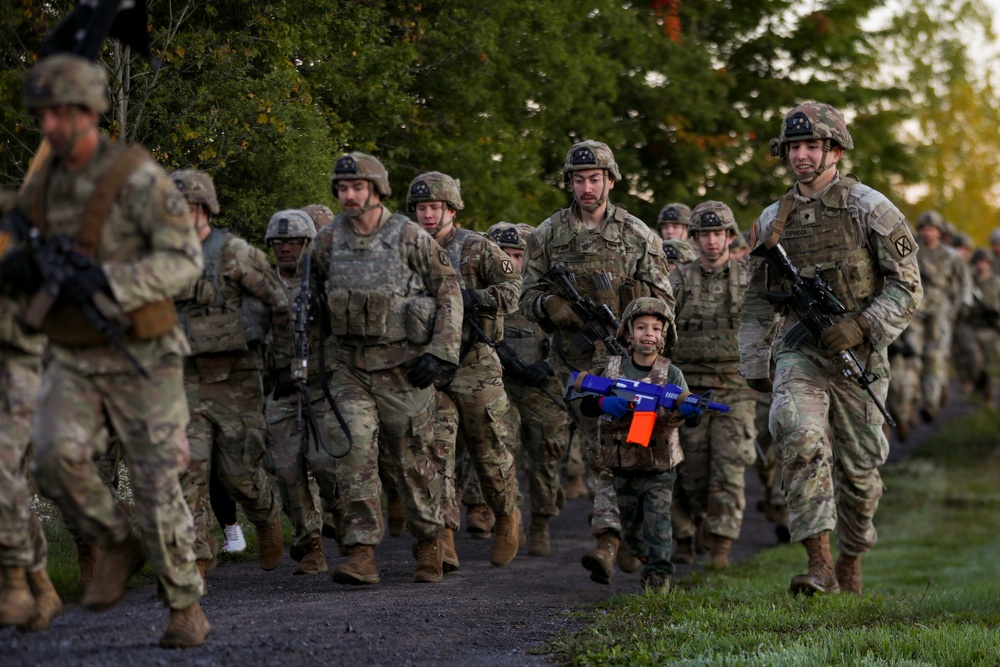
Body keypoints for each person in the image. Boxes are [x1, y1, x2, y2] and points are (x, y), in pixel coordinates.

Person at [0, 53, 208, 647]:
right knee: (49, 456)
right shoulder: (43, 184)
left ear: (89, 112)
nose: (47, 126)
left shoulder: (136, 178)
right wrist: (18, 266)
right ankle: (115, 540)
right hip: (71, 350)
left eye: (58, 113)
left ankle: (183, 604)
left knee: (154, 480)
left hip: (141, 349)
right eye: (41, 114)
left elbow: (182, 261)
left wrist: (112, 282)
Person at [739, 101, 922, 595]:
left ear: (834, 150)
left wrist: (862, 326)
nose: (800, 155)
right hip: (802, 352)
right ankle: (817, 562)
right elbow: (756, 297)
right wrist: (756, 360)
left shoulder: (871, 207)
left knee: (861, 475)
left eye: (810, 146)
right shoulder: (773, 218)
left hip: (859, 356)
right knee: (797, 438)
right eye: (793, 147)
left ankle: (851, 555)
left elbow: (907, 287)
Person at [520, 139, 674, 584]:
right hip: (577, 368)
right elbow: (525, 292)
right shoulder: (548, 234)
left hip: (629, 366)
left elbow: (663, 300)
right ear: (569, 182)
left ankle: (615, 539)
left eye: (594, 179)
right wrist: (549, 306)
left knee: (630, 449)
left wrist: (638, 333)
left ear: (610, 180)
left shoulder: (638, 234)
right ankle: (613, 538)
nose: (586, 187)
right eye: (578, 179)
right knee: (600, 452)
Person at [310, 153, 462, 585]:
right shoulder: (327, 240)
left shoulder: (408, 236)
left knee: (413, 461)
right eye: (342, 188)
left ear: (376, 190)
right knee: (354, 451)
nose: (349, 195)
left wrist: (439, 351)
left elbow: (448, 290)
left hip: (404, 367)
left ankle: (430, 543)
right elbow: (315, 299)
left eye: (357, 187)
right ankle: (361, 552)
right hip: (350, 367)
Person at [171, 169, 289, 578]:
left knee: (238, 475)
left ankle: (267, 516)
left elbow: (280, 306)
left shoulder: (235, 253)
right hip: (184, 380)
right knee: (188, 471)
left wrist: (286, 364)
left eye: (187, 208)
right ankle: (199, 555)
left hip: (236, 379)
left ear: (205, 208)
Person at [408, 172, 523, 568]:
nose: (426, 215)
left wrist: (473, 297)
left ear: (451, 209)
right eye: (421, 208)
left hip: (475, 362)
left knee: (489, 450)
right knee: (435, 452)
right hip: (430, 366)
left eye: (434, 208)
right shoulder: (403, 249)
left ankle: (507, 514)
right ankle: (442, 537)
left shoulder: (477, 247)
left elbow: (514, 291)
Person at [570, 297, 696, 591]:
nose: (648, 334)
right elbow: (586, 405)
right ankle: (641, 553)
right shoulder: (612, 370)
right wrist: (603, 400)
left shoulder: (671, 373)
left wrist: (688, 412)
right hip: (621, 465)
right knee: (631, 530)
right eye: (640, 327)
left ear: (665, 335)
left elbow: (688, 412)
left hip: (659, 468)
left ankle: (658, 576)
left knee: (659, 524)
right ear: (628, 333)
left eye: (655, 328)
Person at [669, 201, 756, 568]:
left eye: (717, 233)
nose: (710, 241)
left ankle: (721, 546)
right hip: (689, 388)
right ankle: (691, 528)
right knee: (691, 469)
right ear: (695, 238)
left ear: (729, 236)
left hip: (735, 387)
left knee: (730, 465)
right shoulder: (677, 280)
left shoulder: (748, 278)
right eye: (703, 234)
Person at [487, 221, 571, 557]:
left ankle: (541, 521)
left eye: (517, 254)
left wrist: (548, 364)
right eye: (504, 253)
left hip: (543, 385)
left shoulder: (551, 289)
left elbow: (571, 334)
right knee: (501, 451)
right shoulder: (490, 289)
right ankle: (510, 517)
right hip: (502, 384)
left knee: (545, 456)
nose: (511, 261)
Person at [262, 209, 331, 574]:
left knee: (325, 463)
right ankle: (311, 544)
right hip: (282, 386)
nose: (285, 249)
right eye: (279, 243)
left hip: (323, 385)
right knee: (286, 470)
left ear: (307, 244)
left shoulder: (323, 278)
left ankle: (346, 525)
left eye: (293, 242)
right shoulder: (262, 282)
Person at [909, 211, 967, 422]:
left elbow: (964, 282)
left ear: (940, 232)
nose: (928, 233)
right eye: (925, 228)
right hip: (915, 307)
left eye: (932, 229)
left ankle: (930, 402)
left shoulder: (951, 255)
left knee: (934, 357)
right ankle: (910, 403)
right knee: (912, 356)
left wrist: (960, 305)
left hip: (940, 308)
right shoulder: (911, 252)